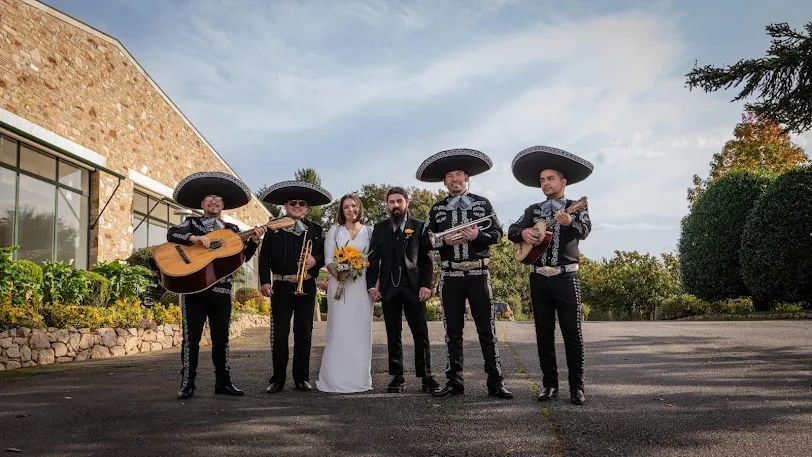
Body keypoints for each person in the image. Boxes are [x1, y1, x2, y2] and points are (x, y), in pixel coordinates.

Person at [417, 148, 513, 399]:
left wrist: (477, 235)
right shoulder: (437, 209)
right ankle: (454, 382)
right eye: (450, 176)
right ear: (444, 181)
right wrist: (443, 241)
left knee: (487, 330)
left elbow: (498, 235)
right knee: (452, 332)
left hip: (479, 275)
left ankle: (496, 382)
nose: (455, 180)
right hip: (451, 277)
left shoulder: (483, 204)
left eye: (459, 174)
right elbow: (425, 242)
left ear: (467, 178)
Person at [167, 171, 266, 400]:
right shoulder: (191, 223)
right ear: (202, 203)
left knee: (221, 339)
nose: (213, 201)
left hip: (221, 291)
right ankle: (187, 383)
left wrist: (254, 242)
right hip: (193, 290)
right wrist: (193, 239)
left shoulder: (232, 231)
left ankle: (223, 381)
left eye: (218, 199)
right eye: (209, 198)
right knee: (191, 339)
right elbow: (172, 233)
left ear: (224, 205)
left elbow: (242, 259)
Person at [507, 145, 593, 405]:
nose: (545, 183)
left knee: (571, 332)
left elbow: (586, 230)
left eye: (550, 178)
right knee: (543, 333)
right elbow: (512, 229)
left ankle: (577, 387)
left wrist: (571, 222)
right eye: (542, 180)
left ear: (563, 182)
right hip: (538, 278)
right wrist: (523, 234)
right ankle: (549, 385)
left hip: (566, 277)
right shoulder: (533, 209)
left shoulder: (575, 206)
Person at [258, 180, 331, 393]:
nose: (297, 206)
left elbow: (326, 255)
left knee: (304, 334)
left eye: (301, 203)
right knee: (279, 335)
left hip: (306, 286)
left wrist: (314, 261)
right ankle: (277, 378)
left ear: (307, 207)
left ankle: (302, 377)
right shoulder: (273, 227)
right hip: (280, 285)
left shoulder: (316, 229)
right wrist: (264, 281)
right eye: (293, 203)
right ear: (285, 206)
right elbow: (263, 259)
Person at [366, 187, 439, 393]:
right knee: (393, 334)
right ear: (387, 205)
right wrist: (372, 286)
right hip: (389, 289)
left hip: (414, 288)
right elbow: (372, 259)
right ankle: (397, 376)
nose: (395, 205)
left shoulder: (420, 227)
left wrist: (427, 285)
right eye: (391, 202)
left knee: (420, 333)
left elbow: (426, 261)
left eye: (399, 201)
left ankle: (426, 376)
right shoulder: (379, 228)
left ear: (408, 202)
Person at [317, 194, 375, 393]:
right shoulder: (335, 230)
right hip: (339, 286)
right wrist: (339, 274)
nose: (351, 210)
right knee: (339, 330)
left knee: (360, 331)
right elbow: (328, 259)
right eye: (346, 207)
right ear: (341, 211)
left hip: (361, 287)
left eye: (354, 205)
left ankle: (359, 379)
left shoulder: (370, 231)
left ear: (360, 207)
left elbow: (374, 261)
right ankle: (334, 379)